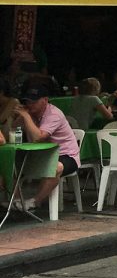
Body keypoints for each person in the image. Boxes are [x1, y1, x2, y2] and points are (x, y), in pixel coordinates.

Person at [11, 82, 81, 211]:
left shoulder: (53, 114)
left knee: (55, 167)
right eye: (27, 101)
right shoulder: (30, 112)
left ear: (45, 100)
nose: (29, 104)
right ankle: (15, 201)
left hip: (65, 155)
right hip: (40, 154)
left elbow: (38, 137)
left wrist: (26, 116)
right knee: (11, 163)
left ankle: (35, 202)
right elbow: (13, 130)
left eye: (33, 101)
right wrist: (17, 116)